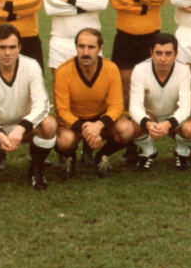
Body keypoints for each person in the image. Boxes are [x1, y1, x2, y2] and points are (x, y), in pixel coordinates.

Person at [0, 24, 57, 190]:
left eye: (12, 47)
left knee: (49, 124)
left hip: (25, 127)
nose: (7, 53)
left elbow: (41, 105)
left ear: (19, 48)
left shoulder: (31, 66)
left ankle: (36, 168)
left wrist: (22, 127)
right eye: (2, 47)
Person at [54, 28, 133, 178]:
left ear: (100, 48)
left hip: (100, 119)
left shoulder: (111, 68)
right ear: (76, 47)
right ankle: (69, 157)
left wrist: (99, 125)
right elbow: (62, 110)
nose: (86, 52)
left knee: (126, 129)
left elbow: (117, 106)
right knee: (64, 141)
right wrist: (86, 129)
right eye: (81, 46)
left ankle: (102, 155)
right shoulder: (63, 71)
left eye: (91, 47)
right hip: (75, 121)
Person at [128, 33, 191, 171]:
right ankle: (148, 151)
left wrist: (169, 123)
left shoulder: (184, 70)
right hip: (151, 116)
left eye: (168, 53)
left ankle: (182, 151)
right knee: (131, 126)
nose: (163, 59)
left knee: (189, 128)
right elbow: (135, 106)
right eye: (158, 53)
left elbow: (185, 107)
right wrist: (147, 123)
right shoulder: (140, 69)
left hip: (173, 116)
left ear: (176, 54)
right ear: (151, 53)